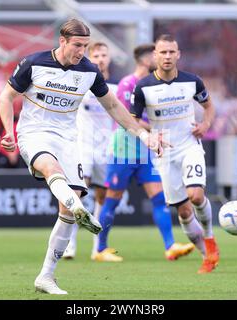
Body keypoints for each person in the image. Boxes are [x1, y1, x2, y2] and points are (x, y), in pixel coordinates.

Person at [0, 18, 167, 295]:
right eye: (77, 45)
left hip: (68, 138)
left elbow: (113, 105)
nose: (81, 51)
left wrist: (144, 135)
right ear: (62, 41)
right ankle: (76, 205)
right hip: (33, 133)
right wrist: (8, 132)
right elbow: (6, 97)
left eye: (85, 46)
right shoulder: (34, 63)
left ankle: (46, 276)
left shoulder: (88, 71)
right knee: (52, 170)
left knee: (68, 208)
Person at [94, 44, 194, 262]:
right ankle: (100, 249)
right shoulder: (127, 84)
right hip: (124, 148)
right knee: (112, 199)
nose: (161, 58)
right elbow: (129, 119)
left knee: (159, 197)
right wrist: (156, 130)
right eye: (155, 55)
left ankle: (170, 246)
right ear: (144, 59)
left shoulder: (154, 85)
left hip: (146, 149)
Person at [130, 34, 220, 274]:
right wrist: (149, 134)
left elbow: (209, 106)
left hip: (189, 146)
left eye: (172, 52)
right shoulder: (144, 87)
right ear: (155, 56)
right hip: (164, 154)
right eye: (163, 52)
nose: (167, 57)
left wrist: (205, 125)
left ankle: (210, 241)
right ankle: (206, 256)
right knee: (182, 210)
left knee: (197, 196)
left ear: (178, 55)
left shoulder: (192, 82)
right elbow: (132, 120)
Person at [63, 41, 118, 259]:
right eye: (96, 56)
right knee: (78, 193)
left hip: (107, 148)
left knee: (103, 198)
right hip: (83, 146)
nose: (100, 59)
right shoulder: (80, 83)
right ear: (90, 58)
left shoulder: (114, 88)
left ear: (109, 59)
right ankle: (70, 245)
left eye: (104, 55)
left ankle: (98, 247)